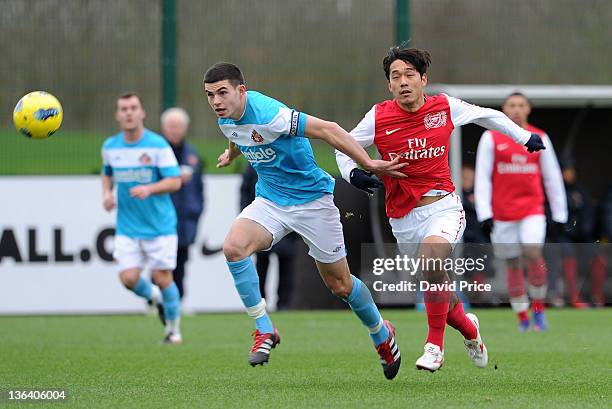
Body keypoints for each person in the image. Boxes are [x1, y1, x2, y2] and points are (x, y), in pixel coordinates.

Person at [336, 46, 546, 372]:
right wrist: (355, 174)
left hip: (443, 207)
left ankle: (434, 346)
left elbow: (486, 115)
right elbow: (343, 146)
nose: (403, 82)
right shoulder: (378, 116)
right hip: (403, 218)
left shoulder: (443, 107)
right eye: (396, 77)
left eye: (409, 75)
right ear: (389, 85)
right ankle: (470, 330)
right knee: (439, 288)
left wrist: (522, 137)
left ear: (423, 79)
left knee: (433, 260)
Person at [203, 62, 405, 379]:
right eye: (210, 95)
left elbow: (329, 130)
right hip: (270, 200)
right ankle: (264, 329)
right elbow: (238, 133)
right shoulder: (225, 118)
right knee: (233, 247)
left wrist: (366, 162)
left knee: (340, 285)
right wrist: (232, 153)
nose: (216, 101)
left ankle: (381, 332)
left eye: (222, 93)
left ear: (242, 91)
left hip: (313, 201)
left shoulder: (272, 114)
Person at [474, 92, 567, 332]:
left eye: (521, 105)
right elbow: (483, 177)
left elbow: (552, 177)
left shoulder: (540, 137)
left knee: (532, 252)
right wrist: (484, 213)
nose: (516, 109)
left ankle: (539, 313)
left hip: (532, 209)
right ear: (504, 109)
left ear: (528, 109)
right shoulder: (491, 138)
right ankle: (523, 318)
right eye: (511, 105)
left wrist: (559, 215)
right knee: (513, 263)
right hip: (502, 214)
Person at [101, 93, 183, 344]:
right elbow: (107, 174)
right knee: (128, 278)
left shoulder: (158, 145)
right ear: (117, 115)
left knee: (162, 277)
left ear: (142, 112)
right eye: (123, 108)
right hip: (127, 227)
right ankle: (155, 298)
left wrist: (150, 188)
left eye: (133, 108)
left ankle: (173, 330)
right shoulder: (110, 147)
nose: (128, 113)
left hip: (160, 226)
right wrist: (106, 193)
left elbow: (175, 181)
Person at [161, 107, 204, 301]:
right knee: (160, 262)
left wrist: (196, 211)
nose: (175, 130)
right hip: (161, 219)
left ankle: (179, 302)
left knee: (181, 262)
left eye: (178, 126)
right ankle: (157, 301)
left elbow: (200, 190)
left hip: (186, 221)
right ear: (164, 128)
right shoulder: (157, 153)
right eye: (171, 126)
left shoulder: (193, 156)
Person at [240, 164, 295, 310]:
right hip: (262, 222)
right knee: (262, 265)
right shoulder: (255, 162)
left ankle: (284, 304)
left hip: (288, 222)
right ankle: (260, 302)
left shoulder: (290, 161)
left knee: (286, 265)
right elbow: (245, 192)